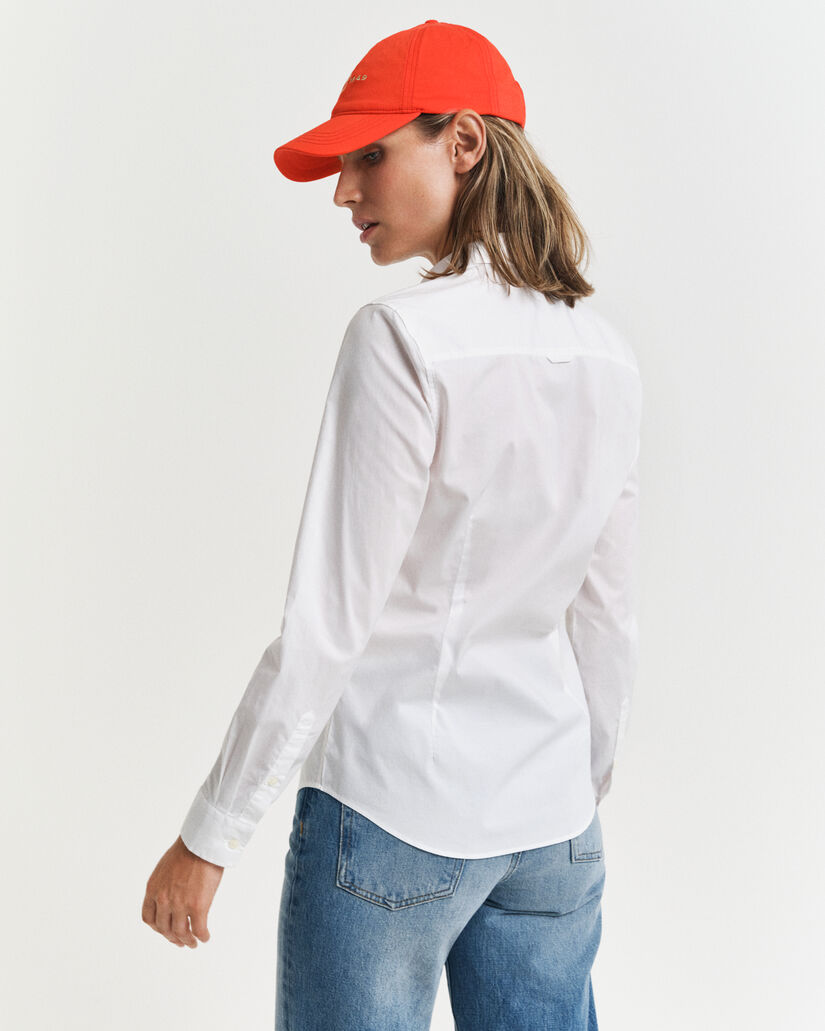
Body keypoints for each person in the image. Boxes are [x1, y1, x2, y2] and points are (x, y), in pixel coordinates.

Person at [142, 19, 642, 1031]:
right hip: (552, 825)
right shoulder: (605, 355)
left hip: (393, 810)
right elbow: (608, 616)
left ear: (463, 142)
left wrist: (210, 833)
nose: (343, 190)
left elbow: (328, 625)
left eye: (368, 156)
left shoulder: (401, 340)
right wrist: (573, 785)